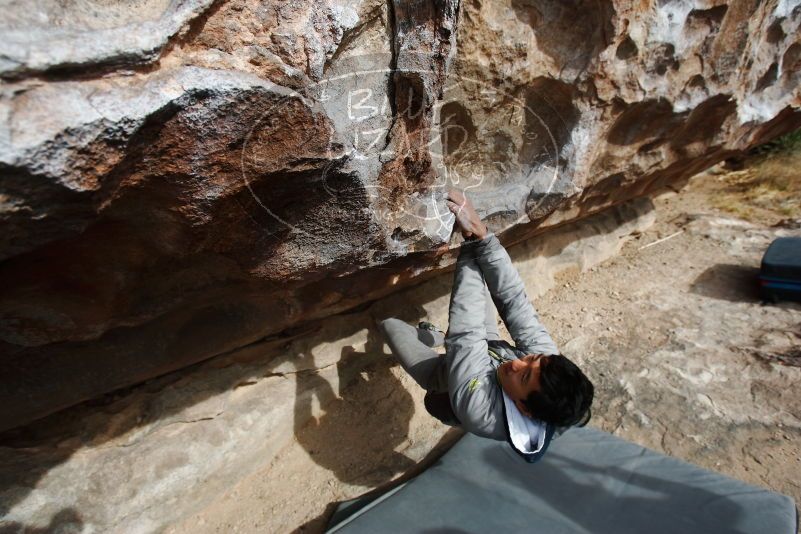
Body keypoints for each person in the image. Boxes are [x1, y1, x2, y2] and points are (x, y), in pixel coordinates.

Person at [379, 188, 594, 462]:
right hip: (489, 348)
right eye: (532, 359)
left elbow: (466, 333)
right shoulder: (547, 368)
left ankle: (439, 342)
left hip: (448, 384)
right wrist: (485, 239)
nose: (519, 363)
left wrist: (470, 245)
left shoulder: (481, 411)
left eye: (524, 377)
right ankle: (438, 338)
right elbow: (515, 303)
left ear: (525, 410)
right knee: (480, 289)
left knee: (390, 326)